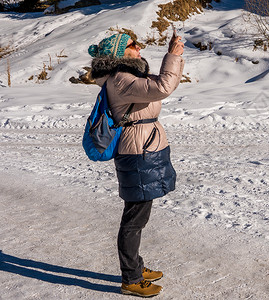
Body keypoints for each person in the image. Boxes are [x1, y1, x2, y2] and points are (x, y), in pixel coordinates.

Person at [88, 32, 184, 297]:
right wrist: (173, 55)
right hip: (137, 151)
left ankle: (136, 268)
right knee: (134, 218)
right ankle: (130, 278)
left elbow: (160, 85)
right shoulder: (121, 80)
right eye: (132, 45)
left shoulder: (127, 76)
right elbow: (164, 87)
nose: (138, 46)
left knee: (139, 213)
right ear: (119, 53)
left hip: (143, 147)